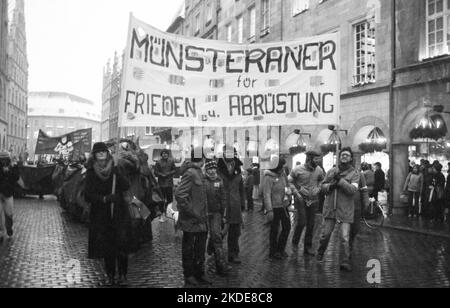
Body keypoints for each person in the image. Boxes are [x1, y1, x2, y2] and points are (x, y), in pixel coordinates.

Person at [84, 142, 132, 286]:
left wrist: (118, 172)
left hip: (119, 212)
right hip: (101, 215)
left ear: (107, 153)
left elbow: (126, 186)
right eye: (98, 152)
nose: (101, 154)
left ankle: (123, 275)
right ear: (94, 155)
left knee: (122, 246)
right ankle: (110, 275)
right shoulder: (91, 172)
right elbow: (88, 195)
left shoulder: (116, 168)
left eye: (103, 152)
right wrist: (104, 199)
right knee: (108, 248)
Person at [317, 147, 360, 272]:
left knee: (345, 237)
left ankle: (345, 262)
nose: (344, 157)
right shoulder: (331, 171)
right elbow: (322, 187)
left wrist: (340, 181)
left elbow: (352, 190)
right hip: (330, 208)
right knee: (325, 235)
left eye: (347, 155)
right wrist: (331, 185)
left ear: (351, 158)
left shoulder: (355, 173)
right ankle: (320, 252)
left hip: (345, 210)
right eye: (342, 155)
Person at [175, 147, 210, 286]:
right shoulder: (190, 173)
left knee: (200, 249)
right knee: (189, 249)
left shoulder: (199, 172)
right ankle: (189, 274)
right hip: (191, 220)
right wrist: (192, 211)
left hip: (201, 219)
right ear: (202, 159)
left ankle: (199, 273)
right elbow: (180, 195)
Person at [288, 151, 325, 256]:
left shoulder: (319, 170)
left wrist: (318, 188)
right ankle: (295, 242)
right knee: (302, 222)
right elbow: (289, 181)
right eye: (316, 159)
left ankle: (308, 247)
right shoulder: (297, 169)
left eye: (319, 159)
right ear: (309, 159)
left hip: (314, 199)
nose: (318, 161)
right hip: (301, 199)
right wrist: (297, 191)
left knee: (311, 224)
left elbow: (322, 181)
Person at [217, 145, 245, 265]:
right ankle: (214, 249)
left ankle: (233, 254)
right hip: (220, 205)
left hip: (234, 204)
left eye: (231, 152)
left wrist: (243, 203)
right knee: (218, 231)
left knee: (234, 231)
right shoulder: (216, 167)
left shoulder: (238, 168)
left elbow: (241, 188)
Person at [204, 160, 232, 276]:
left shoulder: (219, 181)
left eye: (214, 168)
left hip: (216, 213)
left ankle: (221, 265)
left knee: (217, 236)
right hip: (204, 214)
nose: (212, 171)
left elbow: (223, 198)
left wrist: (224, 214)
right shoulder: (202, 180)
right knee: (201, 238)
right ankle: (200, 266)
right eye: (210, 168)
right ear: (206, 170)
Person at [264, 157, 292, 259]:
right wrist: (269, 210)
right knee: (274, 230)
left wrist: (288, 196)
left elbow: (287, 186)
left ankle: (281, 249)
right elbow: (266, 194)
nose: (283, 168)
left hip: (283, 206)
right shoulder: (268, 177)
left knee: (287, 227)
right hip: (274, 207)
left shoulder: (283, 174)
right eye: (281, 166)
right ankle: (273, 251)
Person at [0, 152, 20, 243]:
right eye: (2, 159)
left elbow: (16, 177)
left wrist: (9, 171)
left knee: (9, 214)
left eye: (5, 159)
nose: (3, 161)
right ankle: (0, 232)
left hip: (8, 193)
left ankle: (9, 228)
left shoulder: (13, 166)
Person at [350, 170, 370, 255]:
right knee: (345, 232)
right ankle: (346, 252)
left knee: (355, 228)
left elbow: (364, 190)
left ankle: (350, 241)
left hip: (357, 206)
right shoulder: (340, 173)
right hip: (344, 207)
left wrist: (366, 204)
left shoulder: (359, 174)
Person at [154, 149, 176, 223]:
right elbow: (155, 172)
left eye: (166, 153)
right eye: (163, 153)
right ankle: (161, 213)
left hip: (169, 183)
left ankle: (168, 212)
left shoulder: (171, 161)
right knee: (161, 199)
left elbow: (174, 170)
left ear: (168, 154)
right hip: (161, 184)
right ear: (161, 155)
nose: (165, 155)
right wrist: (161, 175)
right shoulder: (158, 162)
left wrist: (169, 174)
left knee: (170, 199)